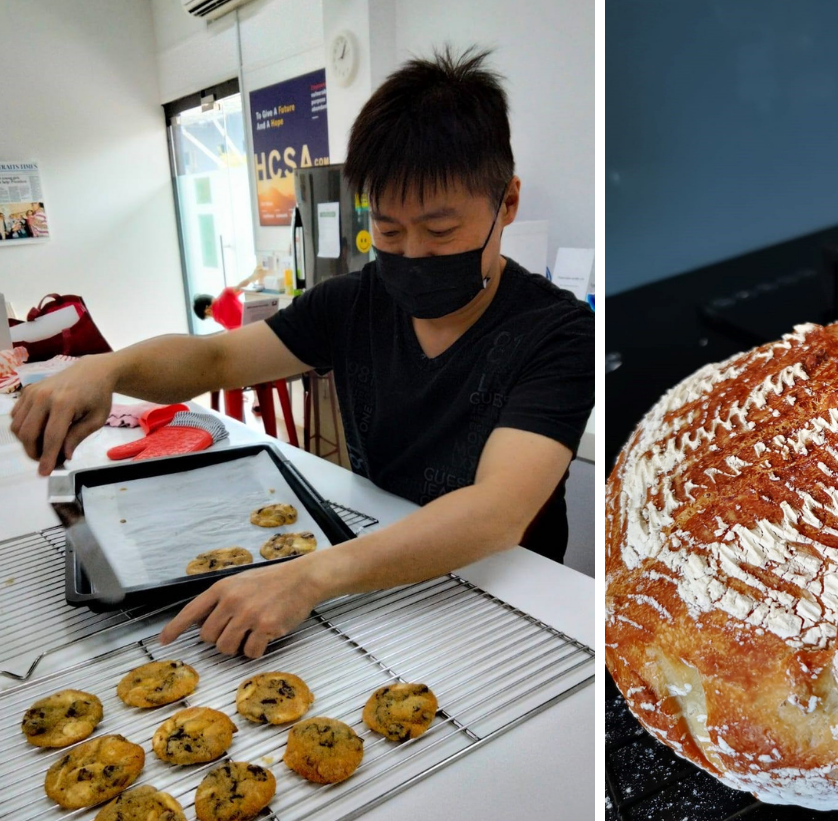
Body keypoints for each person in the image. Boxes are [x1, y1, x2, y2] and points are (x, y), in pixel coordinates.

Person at [10, 47, 594, 660]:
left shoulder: (556, 334)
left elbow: (497, 512)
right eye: (389, 230)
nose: (413, 254)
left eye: (440, 231)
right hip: (377, 574)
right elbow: (215, 361)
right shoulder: (353, 302)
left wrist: (309, 577)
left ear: (507, 202)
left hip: (511, 599)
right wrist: (108, 368)